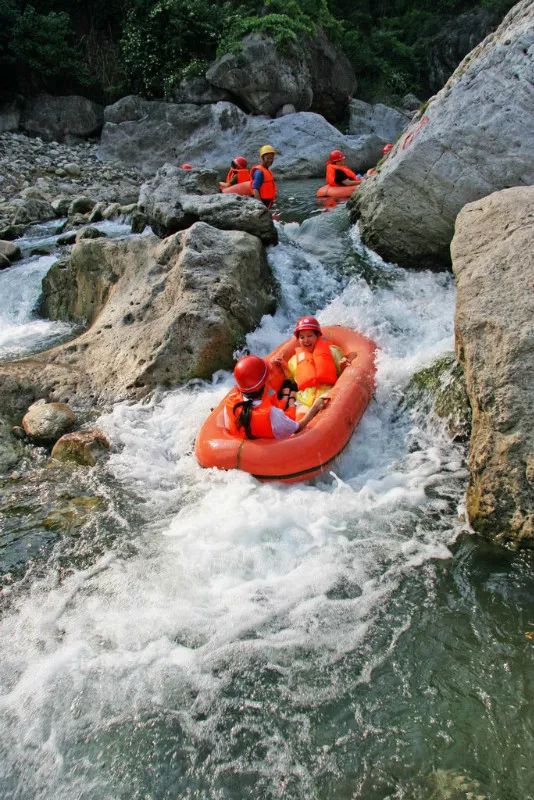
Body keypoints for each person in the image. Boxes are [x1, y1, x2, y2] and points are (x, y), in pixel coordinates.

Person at [224, 355, 328, 440]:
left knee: (287, 392)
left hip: (247, 450)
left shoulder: (231, 402)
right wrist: (315, 407)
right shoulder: (273, 414)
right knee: (300, 405)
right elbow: (297, 428)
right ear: (264, 384)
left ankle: (289, 393)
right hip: (273, 453)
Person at [273, 316, 353, 410]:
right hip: (305, 400)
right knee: (300, 417)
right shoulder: (294, 360)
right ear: (298, 340)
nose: (306, 340)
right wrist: (284, 365)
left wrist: (343, 366)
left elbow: (340, 374)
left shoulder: (332, 352)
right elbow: (293, 379)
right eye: (302, 337)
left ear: (317, 336)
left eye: (309, 336)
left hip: (327, 394)